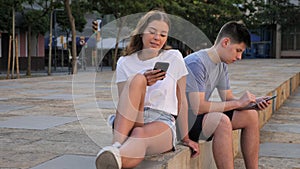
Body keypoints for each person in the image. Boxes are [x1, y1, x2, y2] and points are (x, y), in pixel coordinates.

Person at [95, 10, 199, 169]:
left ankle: (115, 157)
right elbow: (124, 103)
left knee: (139, 135)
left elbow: (181, 101)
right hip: (132, 117)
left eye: (163, 35)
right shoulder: (125, 62)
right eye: (152, 32)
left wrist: (185, 137)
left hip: (161, 120)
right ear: (142, 31)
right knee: (137, 79)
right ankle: (116, 145)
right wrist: (143, 82)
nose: (157, 38)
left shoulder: (173, 57)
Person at [184, 21, 272, 169]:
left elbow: (229, 99)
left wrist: (252, 103)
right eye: (238, 50)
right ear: (225, 42)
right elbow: (197, 107)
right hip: (183, 121)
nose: (239, 57)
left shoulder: (221, 64)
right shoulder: (196, 63)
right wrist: (239, 103)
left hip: (198, 117)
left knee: (250, 116)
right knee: (221, 121)